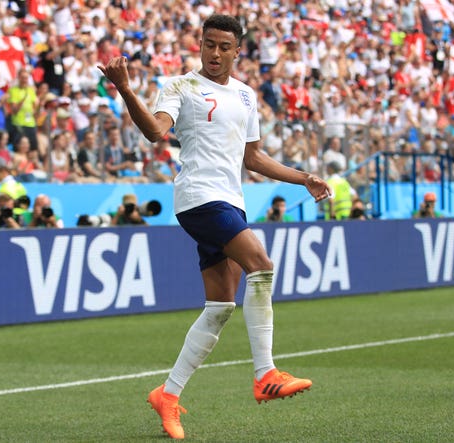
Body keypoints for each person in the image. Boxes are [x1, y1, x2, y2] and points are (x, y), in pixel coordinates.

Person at [98, 14, 332, 440]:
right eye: (209, 44)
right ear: (200, 44)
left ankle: (167, 396)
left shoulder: (245, 96)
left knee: (220, 307)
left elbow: (255, 159)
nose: (216, 53)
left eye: (225, 46)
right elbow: (154, 132)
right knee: (261, 264)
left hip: (231, 202)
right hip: (198, 198)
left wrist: (304, 177)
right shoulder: (180, 87)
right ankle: (265, 375)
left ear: (238, 50)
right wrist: (125, 89)